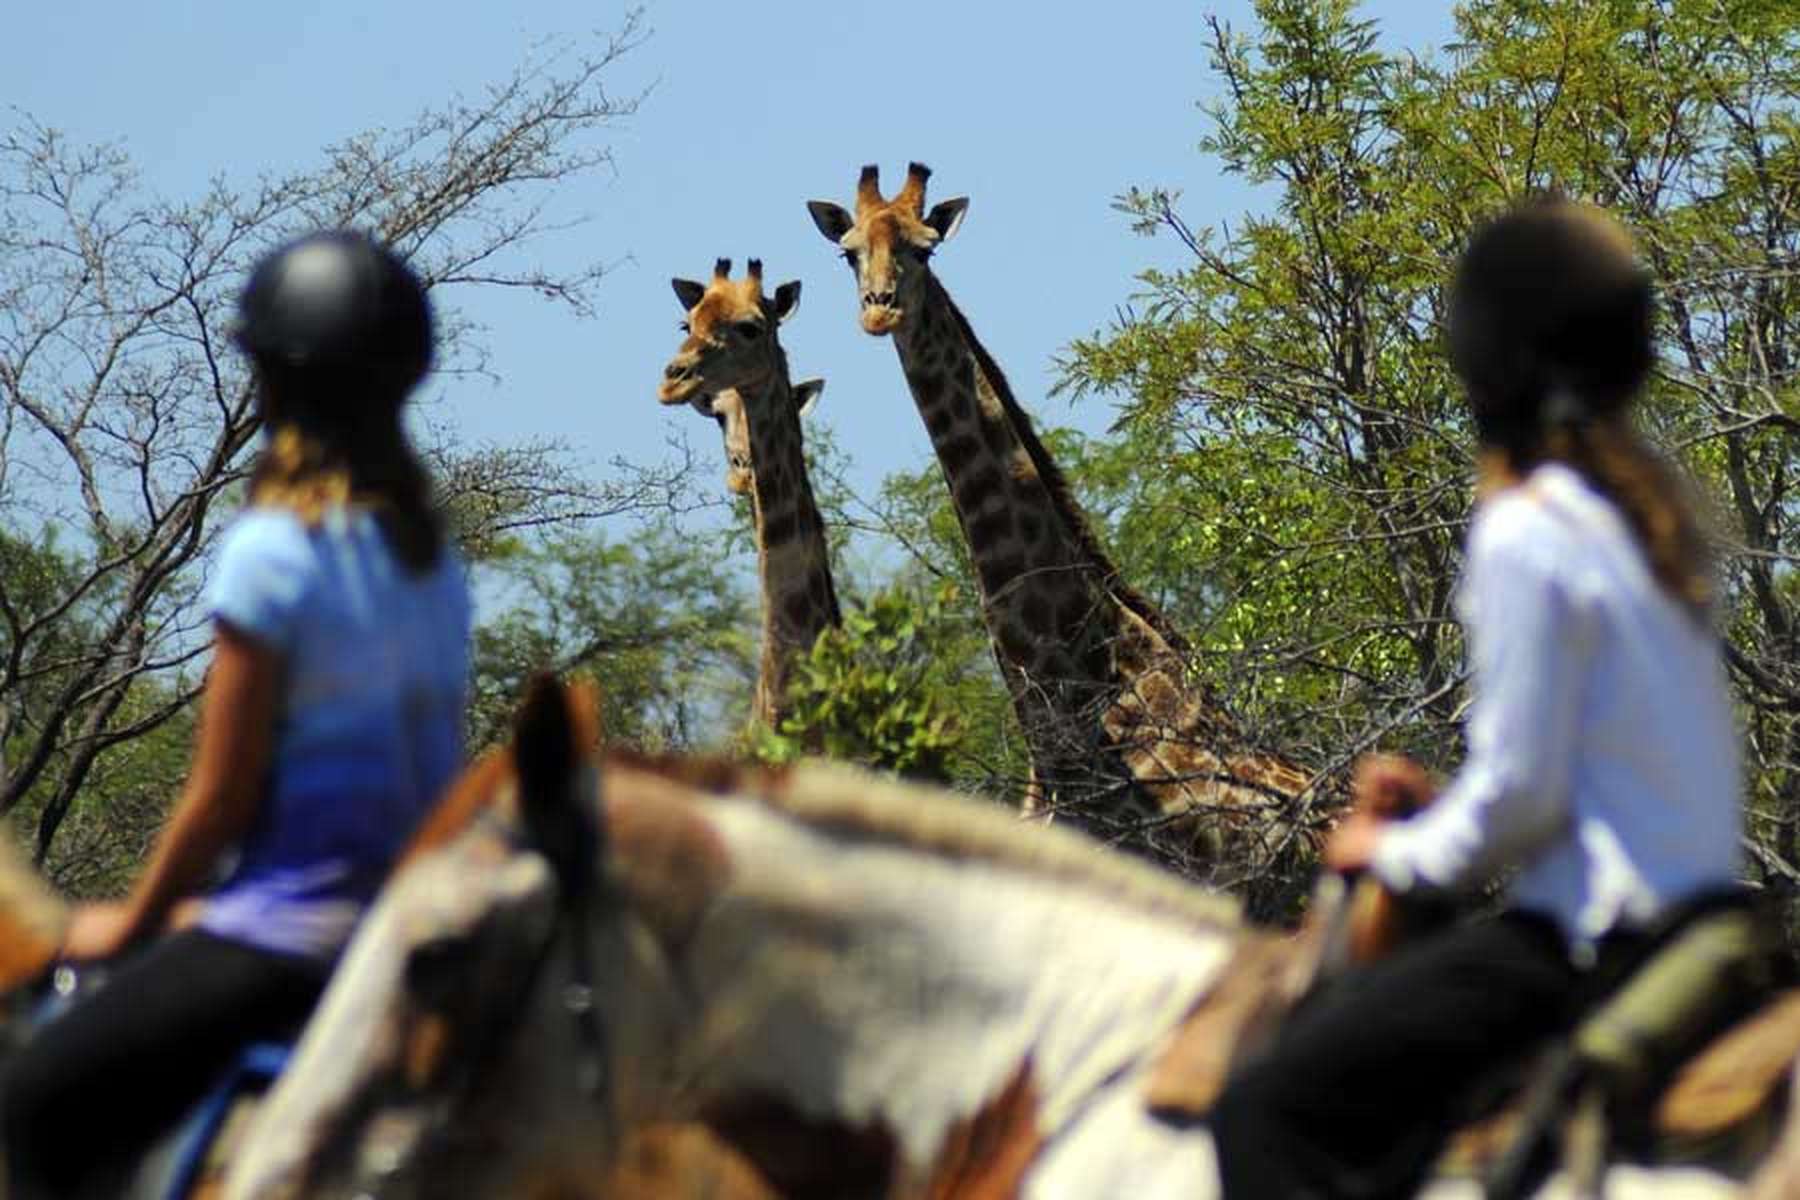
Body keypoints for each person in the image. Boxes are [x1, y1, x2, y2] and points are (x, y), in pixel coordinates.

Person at [1209, 198, 1742, 1199]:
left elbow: (1524, 800)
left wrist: (1389, 850)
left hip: (1592, 945)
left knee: (1264, 1114)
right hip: (1710, 925)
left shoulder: (1524, 530)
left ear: (1485, 372)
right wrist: (1449, 809)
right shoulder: (1649, 530)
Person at [1, 231, 471, 1198]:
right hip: (405, 942)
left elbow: (219, 800)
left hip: (284, 943)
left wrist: (130, 926)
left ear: (273, 380)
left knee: (33, 1101)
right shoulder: (432, 564)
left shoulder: (271, 551)